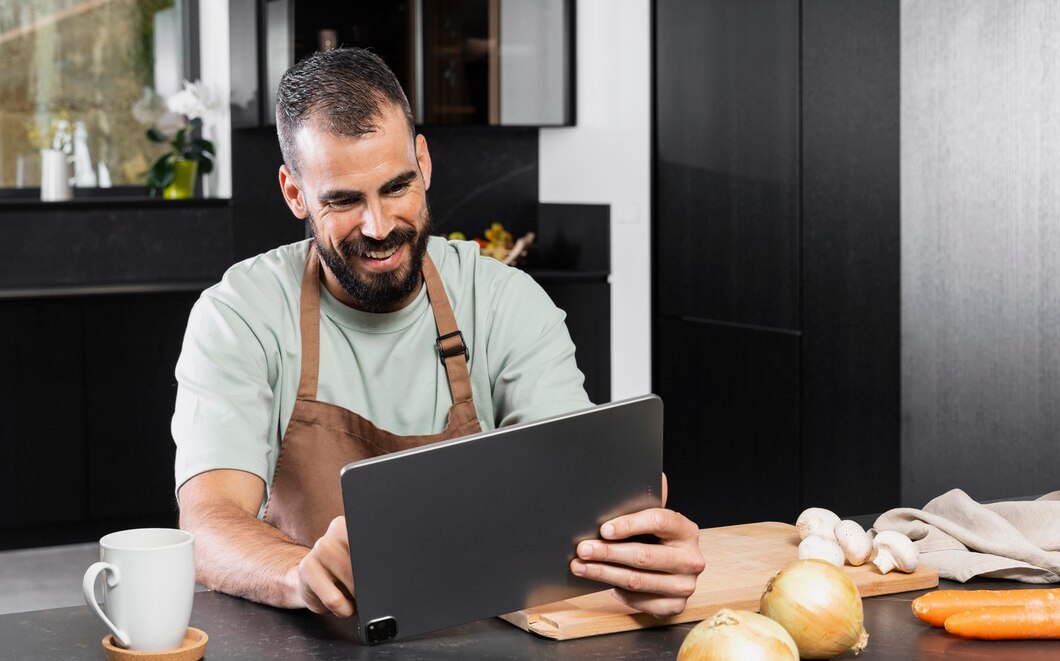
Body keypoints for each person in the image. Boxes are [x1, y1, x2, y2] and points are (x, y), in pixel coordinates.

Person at [173, 48, 705, 620]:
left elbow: (570, 498)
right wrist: (297, 576)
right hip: (311, 642)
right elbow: (208, 525)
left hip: (486, 637)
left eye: (397, 187)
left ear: (423, 163)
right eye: (344, 201)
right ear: (295, 193)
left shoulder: (505, 302)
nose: (378, 227)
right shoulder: (240, 315)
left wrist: (636, 561)